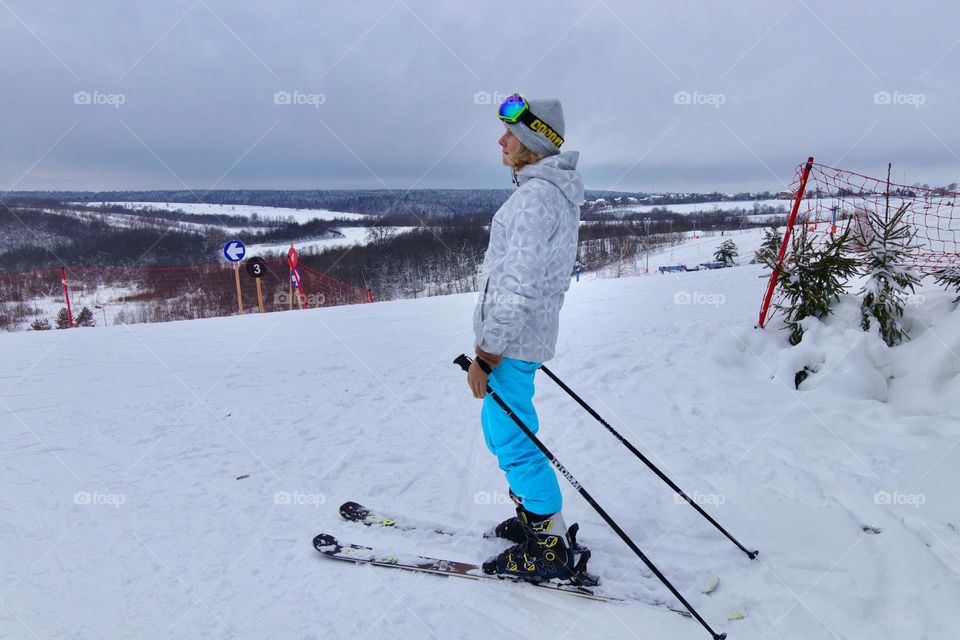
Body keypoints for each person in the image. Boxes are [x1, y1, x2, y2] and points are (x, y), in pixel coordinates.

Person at [468, 94, 585, 582]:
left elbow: (517, 283)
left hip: (511, 343)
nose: (501, 140)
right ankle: (537, 521)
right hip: (522, 339)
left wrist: (487, 352)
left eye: (510, 133)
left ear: (533, 140)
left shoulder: (535, 199)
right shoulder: (549, 192)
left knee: (513, 439)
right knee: (505, 431)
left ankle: (548, 546)